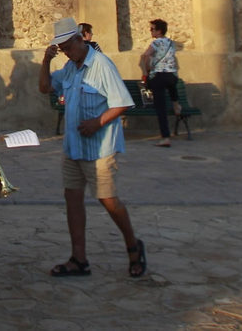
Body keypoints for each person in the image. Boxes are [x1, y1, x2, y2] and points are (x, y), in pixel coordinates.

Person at [39, 15, 144, 278]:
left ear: (79, 39)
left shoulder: (101, 65)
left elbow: (122, 102)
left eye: (67, 47)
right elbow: (44, 87)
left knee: (108, 200)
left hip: (99, 149)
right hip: (73, 148)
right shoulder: (70, 68)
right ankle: (79, 259)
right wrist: (45, 60)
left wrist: (98, 121)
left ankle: (133, 246)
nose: (66, 52)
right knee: (73, 200)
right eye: (61, 49)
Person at [138, 18, 181, 147]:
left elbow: (145, 55)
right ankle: (176, 104)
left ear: (159, 31)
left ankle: (165, 137)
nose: (151, 31)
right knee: (172, 85)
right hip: (172, 75)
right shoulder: (171, 43)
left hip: (159, 76)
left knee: (160, 108)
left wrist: (147, 68)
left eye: (152, 29)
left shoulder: (156, 43)